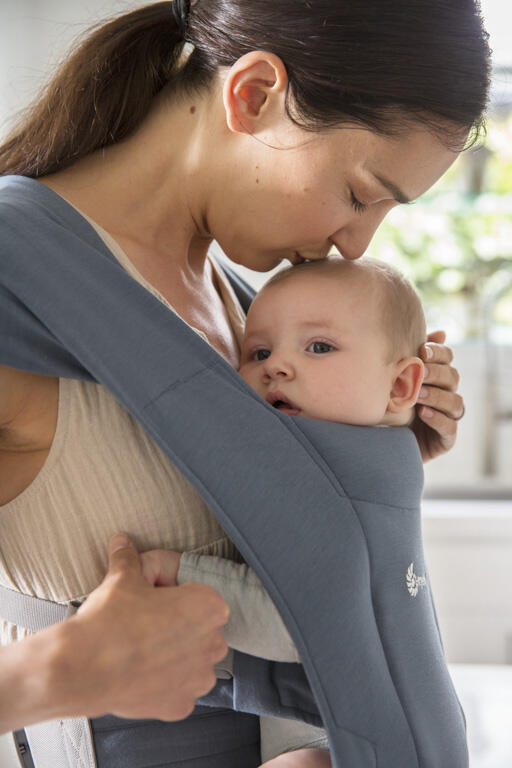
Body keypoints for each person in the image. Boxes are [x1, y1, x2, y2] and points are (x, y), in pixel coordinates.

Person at [0, 0, 488, 765]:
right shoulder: (18, 286)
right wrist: (51, 674)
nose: (358, 242)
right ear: (253, 94)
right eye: (362, 194)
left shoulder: (254, 312)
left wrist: (359, 456)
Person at [139, 256, 429, 768]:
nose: (277, 365)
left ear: (401, 387)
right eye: (259, 351)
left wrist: (181, 574)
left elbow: (308, 620)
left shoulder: (343, 481)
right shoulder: (377, 457)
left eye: (319, 347)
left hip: (334, 728)